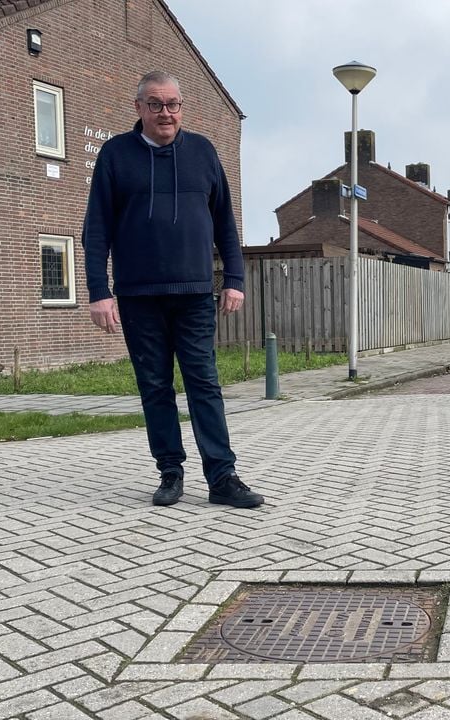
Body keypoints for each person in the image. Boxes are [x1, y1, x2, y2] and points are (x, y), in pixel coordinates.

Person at [81, 70, 263, 509]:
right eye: (157, 105)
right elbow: (96, 229)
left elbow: (225, 223)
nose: (166, 113)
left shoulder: (203, 152)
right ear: (139, 108)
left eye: (174, 105)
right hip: (139, 295)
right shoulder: (115, 155)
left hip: (194, 292)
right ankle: (170, 472)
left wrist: (234, 280)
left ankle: (222, 477)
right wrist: (98, 292)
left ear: (182, 107)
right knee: (155, 386)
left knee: (205, 383)